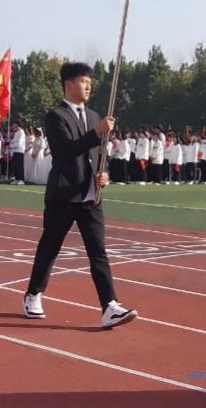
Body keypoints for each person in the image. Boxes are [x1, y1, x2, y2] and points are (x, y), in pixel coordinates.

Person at [23, 62, 136, 329]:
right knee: (50, 247)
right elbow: (65, 150)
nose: (88, 86)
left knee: (98, 251)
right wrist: (97, 133)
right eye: (84, 81)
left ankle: (109, 306)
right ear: (69, 84)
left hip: (90, 197)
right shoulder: (56, 116)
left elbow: (100, 154)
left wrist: (104, 174)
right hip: (64, 195)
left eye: (90, 83)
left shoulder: (96, 117)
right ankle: (33, 294)